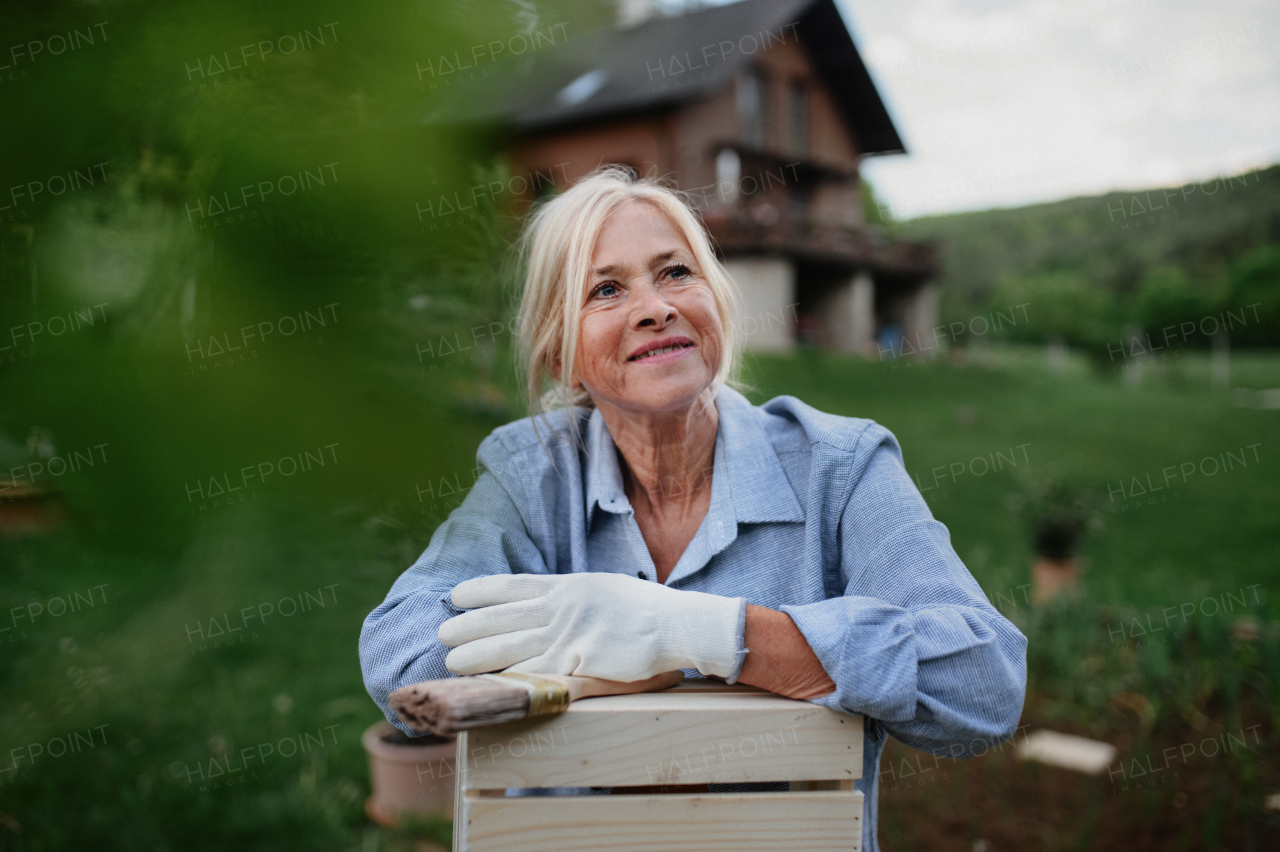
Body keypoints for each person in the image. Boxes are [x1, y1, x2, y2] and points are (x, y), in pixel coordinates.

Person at [360, 167, 1027, 852]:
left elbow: (983, 684)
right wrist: (602, 646)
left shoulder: (840, 465)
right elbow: (400, 658)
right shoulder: (532, 472)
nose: (655, 307)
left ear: (716, 301)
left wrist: (696, 632)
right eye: (607, 289)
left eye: (675, 273)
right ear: (561, 355)